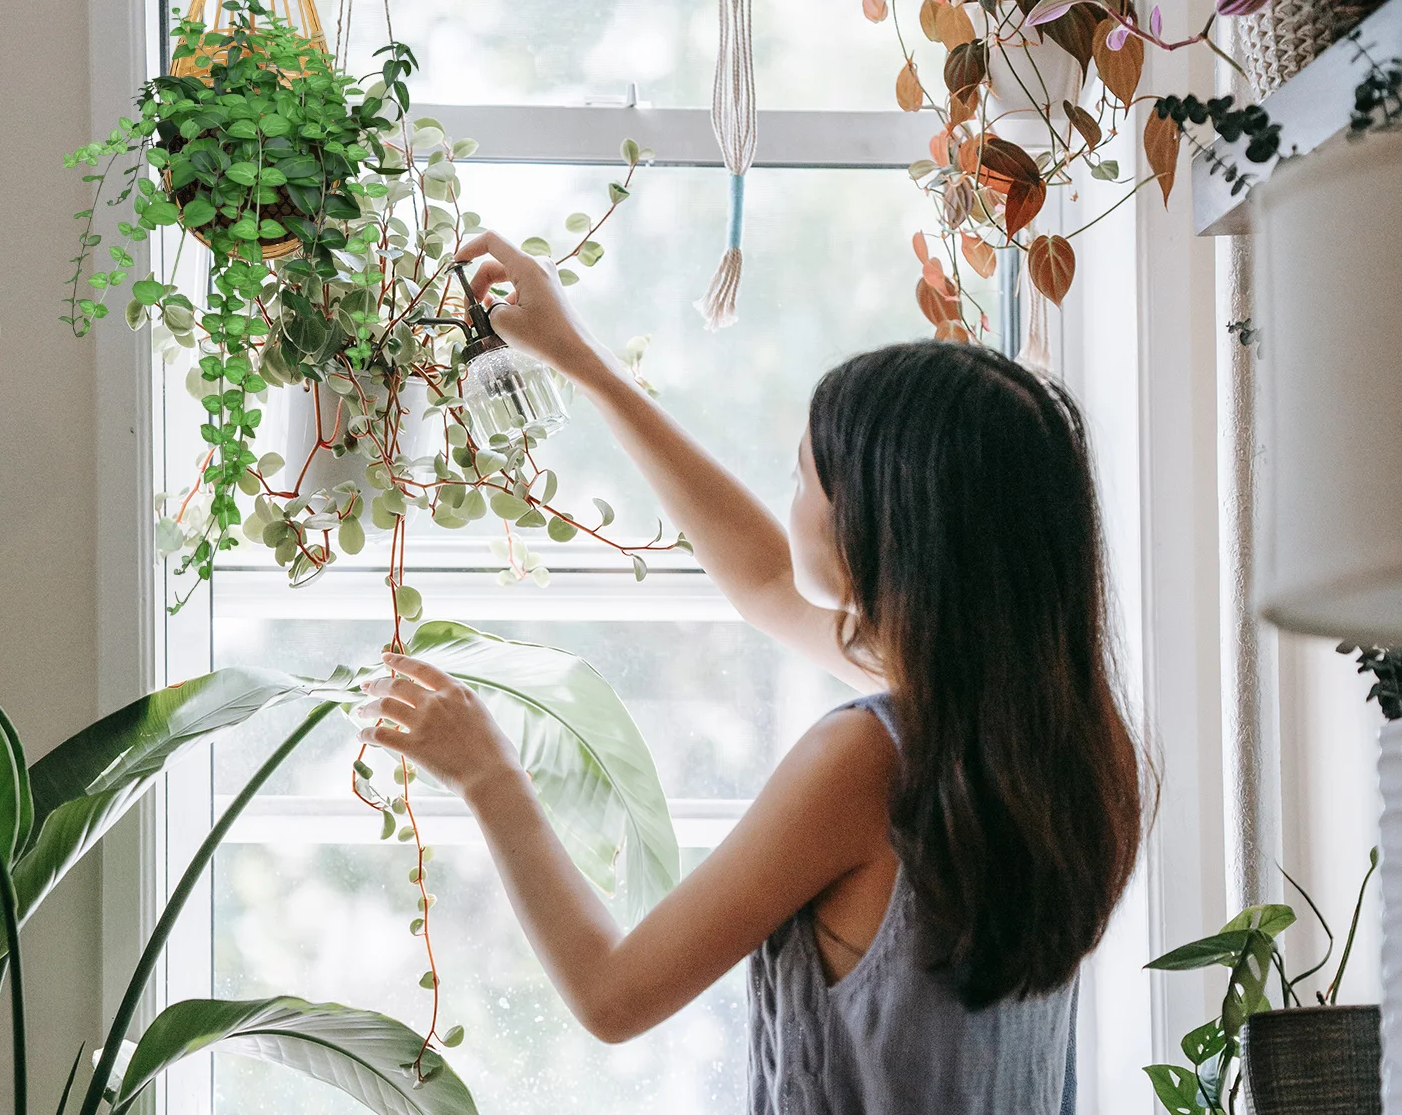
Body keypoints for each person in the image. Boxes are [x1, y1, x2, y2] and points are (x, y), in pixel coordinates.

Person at [355, 231, 1146, 1115]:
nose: (792, 497)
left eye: (803, 477)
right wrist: (584, 363)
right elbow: (765, 578)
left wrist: (488, 773)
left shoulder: (869, 761)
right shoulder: (1063, 734)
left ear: (877, 529)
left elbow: (613, 997)